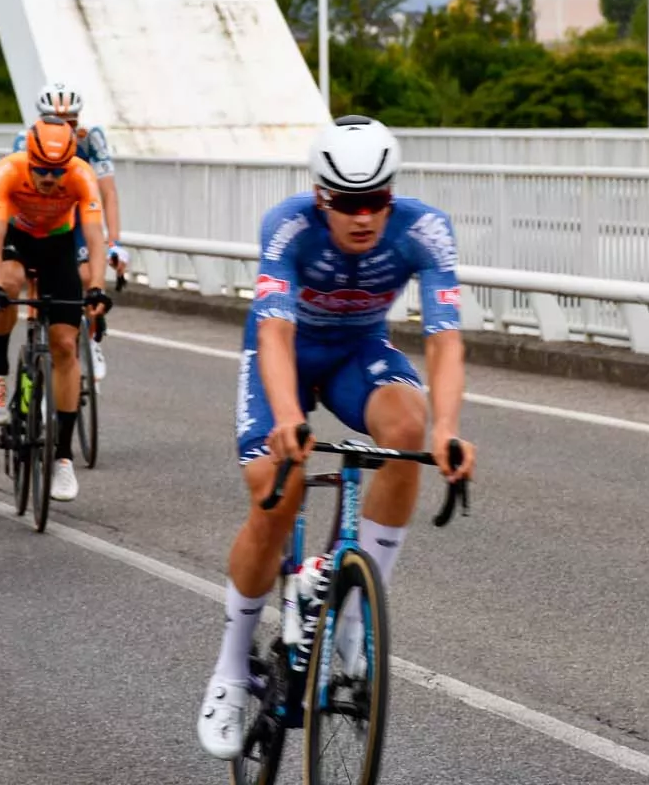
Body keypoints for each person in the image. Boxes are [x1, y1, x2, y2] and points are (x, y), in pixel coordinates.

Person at [195, 115, 476, 760]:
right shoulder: (288, 225)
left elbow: (445, 339)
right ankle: (232, 672)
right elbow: (273, 332)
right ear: (322, 197)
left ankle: (352, 622)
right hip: (286, 355)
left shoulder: (424, 229)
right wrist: (290, 416)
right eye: (348, 203)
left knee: (409, 428)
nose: (363, 217)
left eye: (377, 200)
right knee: (275, 487)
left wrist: (451, 431)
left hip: (357, 352)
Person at [0, 117, 113, 503]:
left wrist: (96, 289)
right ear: (29, 156)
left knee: (63, 343)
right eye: (40, 168)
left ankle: (62, 457)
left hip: (57, 246)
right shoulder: (9, 170)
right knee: (8, 284)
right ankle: (0, 371)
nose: (47, 178)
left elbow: (94, 238)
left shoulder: (81, 175)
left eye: (56, 171)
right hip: (16, 239)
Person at [11, 81, 126, 381]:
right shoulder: (25, 141)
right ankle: (34, 345)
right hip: (35, 216)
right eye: (56, 121)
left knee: (88, 275)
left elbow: (108, 194)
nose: (65, 129)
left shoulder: (91, 139)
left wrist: (114, 241)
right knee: (34, 282)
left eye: (71, 122)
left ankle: (89, 337)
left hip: (73, 212)